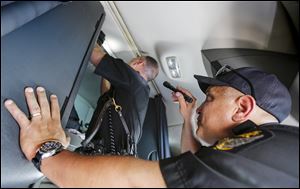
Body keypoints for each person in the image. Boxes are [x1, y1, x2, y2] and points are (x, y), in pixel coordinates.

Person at [4, 66, 298, 187]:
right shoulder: (273, 152)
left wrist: (46, 152)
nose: (203, 106)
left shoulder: (263, 153)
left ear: (243, 108)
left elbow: (134, 182)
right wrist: (188, 118)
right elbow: (195, 167)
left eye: (210, 98)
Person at [80, 43, 159, 156]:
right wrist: (108, 73)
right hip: (104, 159)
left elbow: (95, 54)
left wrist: (92, 35)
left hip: (101, 157)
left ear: (139, 62)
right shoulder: (137, 93)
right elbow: (105, 93)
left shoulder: (134, 79)